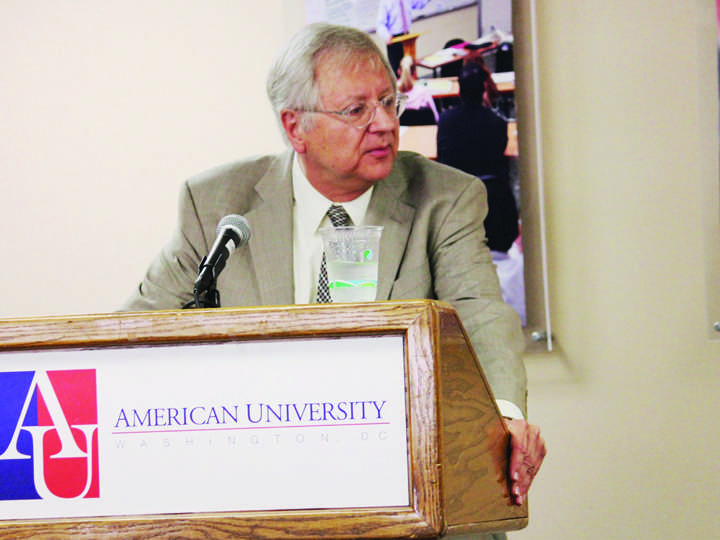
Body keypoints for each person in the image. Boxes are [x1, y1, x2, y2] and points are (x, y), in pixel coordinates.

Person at [120, 23, 545, 533]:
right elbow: (135, 332)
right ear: (295, 126)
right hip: (263, 501)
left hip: (408, 493)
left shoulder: (445, 198)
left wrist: (500, 416)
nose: (385, 123)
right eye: (356, 110)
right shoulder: (215, 204)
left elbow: (480, 312)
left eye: (389, 101)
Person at [375, 0, 429, 74]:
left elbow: (419, 4)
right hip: (394, 39)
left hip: (407, 37)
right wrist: (387, 36)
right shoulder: (386, 2)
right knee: (398, 72)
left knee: (410, 69)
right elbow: (380, 24)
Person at [397, 55, 438, 124]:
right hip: (424, 132)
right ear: (415, 72)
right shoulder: (423, 91)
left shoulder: (391, 92)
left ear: (399, 71)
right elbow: (436, 117)